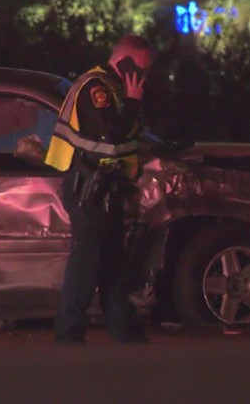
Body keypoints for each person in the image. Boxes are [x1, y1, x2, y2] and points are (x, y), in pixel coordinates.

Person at [45, 35, 155, 344]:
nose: (145, 76)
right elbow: (113, 134)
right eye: (142, 68)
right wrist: (134, 99)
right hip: (88, 188)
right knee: (86, 266)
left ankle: (126, 332)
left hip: (108, 188)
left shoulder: (113, 87)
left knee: (112, 266)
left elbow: (127, 139)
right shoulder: (96, 88)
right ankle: (68, 335)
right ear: (126, 61)